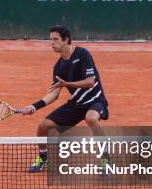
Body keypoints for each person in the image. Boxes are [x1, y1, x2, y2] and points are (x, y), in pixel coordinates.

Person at [21, 25, 109, 172]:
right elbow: (53, 94)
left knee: (91, 118)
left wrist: (67, 84)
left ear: (66, 40)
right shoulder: (58, 67)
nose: (52, 43)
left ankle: (106, 158)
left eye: (55, 39)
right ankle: (43, 157)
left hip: (95, 100)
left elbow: (90, 82)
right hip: (76, 105)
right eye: (51, 40)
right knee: (44, 126)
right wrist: (33, 107)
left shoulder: (82, 54)